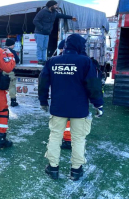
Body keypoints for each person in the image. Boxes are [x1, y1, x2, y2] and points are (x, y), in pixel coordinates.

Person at [38, 34, 103, 181]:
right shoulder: (85, 62)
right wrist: (98, 104)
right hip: (79, 109)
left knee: (55, 136)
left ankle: (53, 168)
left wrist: (43, 101)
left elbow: (42, 82)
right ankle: (76, 170)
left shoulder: (53, 61)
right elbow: (93, 85)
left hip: (58, 107)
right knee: (78, 139)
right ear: (79, 46)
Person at [33, 0, 77, 65]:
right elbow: (35, 21)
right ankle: (40, 60)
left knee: (45, 47)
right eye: (55, 5)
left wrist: (71, 17)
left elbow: (61, 15)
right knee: (40, 47)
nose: (56, 6)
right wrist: (42, 28)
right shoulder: (43, 12)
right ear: (51, 6)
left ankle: (44, 60)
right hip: (40, 33)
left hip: (47, 33)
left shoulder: (54, 12)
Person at [3, 38, 20, 107]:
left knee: (2, 87)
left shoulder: (1, 51)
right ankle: (13, 101)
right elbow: (17, 60)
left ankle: (2, 101)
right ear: (11, 45)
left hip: (2, 71)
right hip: (10, 71)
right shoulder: (12, 51)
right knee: (12, 86)